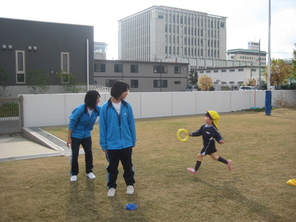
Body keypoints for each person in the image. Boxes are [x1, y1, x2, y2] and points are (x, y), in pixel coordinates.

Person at [99, 81, 136, 197]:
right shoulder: (105, 107)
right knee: (112, 168)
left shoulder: (127, 106)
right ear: (119, 91)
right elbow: (102, 127)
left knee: (128, 166)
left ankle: (130, 184)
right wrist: (104, 145)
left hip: (126, 143)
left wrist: (132, 141)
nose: (127, 93)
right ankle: (111, 187)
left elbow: (131, 125)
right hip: (112, 145)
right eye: (126, 90)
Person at [67, 90, 101, 182]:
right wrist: (69, 138)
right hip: (76, 135)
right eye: (97, 98)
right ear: (92, 99)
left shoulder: (97, 109)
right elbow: (72, 123)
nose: (98, 100)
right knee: (75, 154)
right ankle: (74, 174)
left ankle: (89, 171)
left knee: (89, 153)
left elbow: (105, 113)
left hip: (87, 135)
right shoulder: (80, 109)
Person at [187, 110, 232, 174]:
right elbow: (198, 132)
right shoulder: (203, 126)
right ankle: (227, 162)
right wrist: (191, 134)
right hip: (208, 145)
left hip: (208, 146)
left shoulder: (213, 129)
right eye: (205, 116)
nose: (205, 118)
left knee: (199, 156)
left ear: (211, 120)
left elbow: (218, 135)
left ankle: (195, 170)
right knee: (215, 157)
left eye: (207, 117)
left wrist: (220, 140)